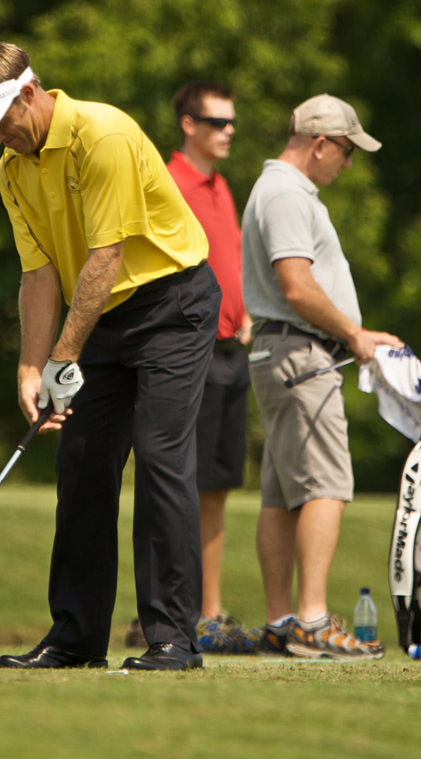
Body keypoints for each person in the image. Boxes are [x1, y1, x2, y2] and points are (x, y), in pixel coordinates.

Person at [0, 38, 221, 672]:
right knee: (83, 464)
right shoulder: (11, 169)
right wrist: (29, 367)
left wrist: (61, 360)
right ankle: (74, 637)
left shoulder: (103, 135)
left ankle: (173, 639)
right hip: (97, 318)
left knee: (160, 459)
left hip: (172, 306)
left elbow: (106, 259)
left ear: (27, 94)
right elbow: (40, 273)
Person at [241, 93, 403, 660]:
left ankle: (282, 622)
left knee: (282, 495)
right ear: (320, 144)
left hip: (283, 353)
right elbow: (297, 286)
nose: (349, 163)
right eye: (346, 151)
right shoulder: (287, 194)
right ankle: (309, 621)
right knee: (327, 485)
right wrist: (355, 336)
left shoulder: (278, 189)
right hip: (301, 355)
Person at [167, 82, 256, 652]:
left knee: (217, 487)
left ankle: (210, 612)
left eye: (231, 123)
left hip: (232, 353)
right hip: (189, 352)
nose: (227, 131)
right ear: (187, 124)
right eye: (216, 121)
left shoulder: (223, 187)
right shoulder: (170, 183)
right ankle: (173, 610)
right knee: (180, 482)